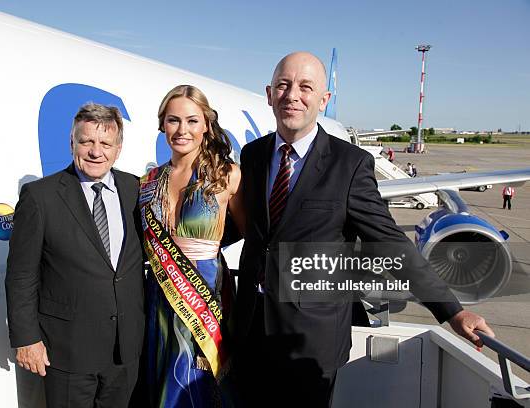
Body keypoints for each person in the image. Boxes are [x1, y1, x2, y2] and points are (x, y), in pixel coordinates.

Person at [233, 52, 494, 407]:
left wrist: (452, 310)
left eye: (305, 87)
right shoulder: (252, 155)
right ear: (268, 93)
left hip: (310, 340)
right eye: (283, 85)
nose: (292, 95)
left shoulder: (350, 164)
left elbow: (389, 242)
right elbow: (241, 226)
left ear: (323, 100)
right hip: (249, 331)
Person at [6, 103, 145, 408]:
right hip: (67, 349)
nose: (96, 152)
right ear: (72, 143)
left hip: (126, 348)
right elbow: (21, 274)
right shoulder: (40, 196)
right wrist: (27, 339)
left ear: (118, 149)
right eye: (86, 142)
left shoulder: (135, 189)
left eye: (105, 143)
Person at [139, 85, 244, 407]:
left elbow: (250, 232)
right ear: (162, 125)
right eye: (173, 120)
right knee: (159, 381)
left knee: (201, 384)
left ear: (206, 126)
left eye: (192, 121)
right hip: (159, 297)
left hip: (206, 298)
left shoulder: (227, 176)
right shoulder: (148, 180)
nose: (182, 130)